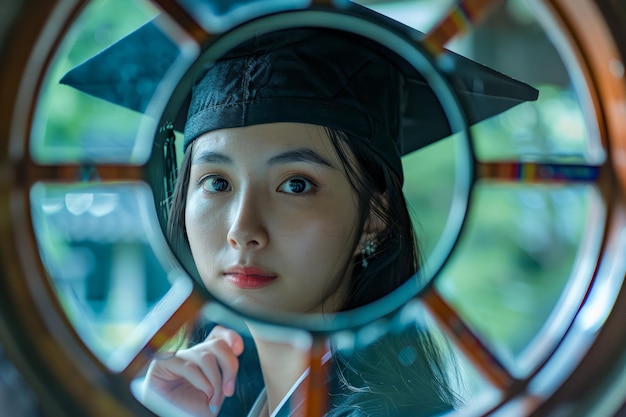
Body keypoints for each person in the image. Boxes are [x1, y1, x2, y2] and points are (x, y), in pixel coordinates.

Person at [61, 4, 538, 416]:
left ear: (376, 215)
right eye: (216, 182)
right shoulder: (234, 403)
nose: (242, 230)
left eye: (295, 184)